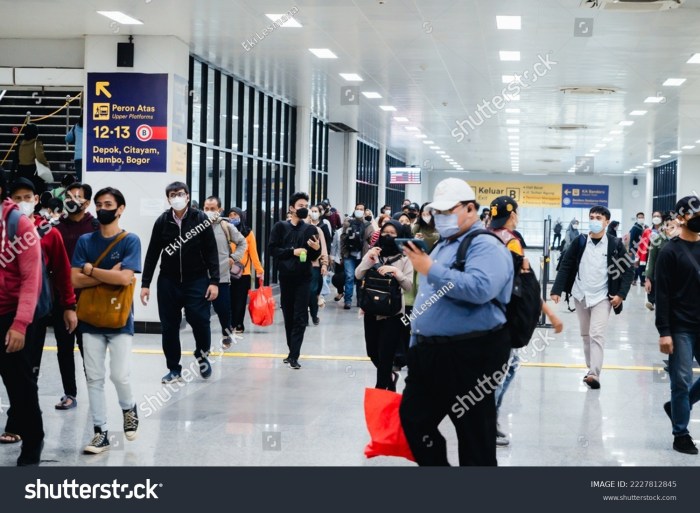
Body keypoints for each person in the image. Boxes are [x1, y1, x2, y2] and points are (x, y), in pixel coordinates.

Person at [399, 178, 514, 466]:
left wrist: (430, 269)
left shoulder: (486, 245)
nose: (440, 218)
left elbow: (480, 288)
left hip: (470, 355)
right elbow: (427, 295)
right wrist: (415, 345)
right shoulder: (443, 245)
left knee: (475, 436)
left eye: (448, 211)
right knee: (414, 420)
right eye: (436, 212)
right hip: (429, 354)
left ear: (471, 209)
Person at [487, 196, 563, 447]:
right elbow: (524, 285)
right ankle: (487, 419)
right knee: (503, 369)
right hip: (504, 316)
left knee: (500, 367)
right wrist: (549, 313)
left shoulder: (482, 236)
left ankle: (487, 416)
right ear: (513, 215)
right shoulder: (512, 242)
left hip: (483, 313)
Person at [71, 187, 141, 454]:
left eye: (108, 204)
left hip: (120, 318)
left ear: (120, 208)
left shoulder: (130, 240)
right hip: (90, 318)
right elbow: (74, 279)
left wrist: (90, 269)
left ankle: (129, 408)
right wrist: (104, 274)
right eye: (98, 204)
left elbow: (126, 278)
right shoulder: (86, 241)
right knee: (94, 378)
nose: (102, 208)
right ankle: (100, 432)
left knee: (119, 375)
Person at [5, 179, 77, 412]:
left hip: (39, 306)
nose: (23, 202)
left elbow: (63, 272)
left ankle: (22, 417)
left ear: (37, 200)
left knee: (29, 363)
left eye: (28, 197)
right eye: (17, 198)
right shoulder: (6, 229)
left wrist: (69, 305)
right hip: (7, 307)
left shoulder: (49, 232)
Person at [140, 182, 220, 384]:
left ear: (187, 196)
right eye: (173, 194)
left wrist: (214, 281)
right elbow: (152, 254)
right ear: (168, 199)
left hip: (197, 280)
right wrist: (145, 283)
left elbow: (211, 251)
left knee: (200, 321)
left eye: (180, 194)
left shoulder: (200, 219)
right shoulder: (162, 221)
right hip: (169, 281)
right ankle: (174, 369)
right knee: (169, 326)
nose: (177, 197)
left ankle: (202, 356)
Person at [551, 206, 633, 390]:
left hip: (603, 297)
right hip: (580, 295)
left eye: (598, 217)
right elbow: (566, 265)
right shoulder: (580, 242)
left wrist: (621, 294)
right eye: (591, 217)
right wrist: (557, 290)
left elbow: (629, 269)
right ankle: (590, 370)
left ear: (606, 222)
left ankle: (594, 373)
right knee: (586, 335)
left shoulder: (615, 244)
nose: (594, 220)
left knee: (597, 334)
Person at [0, 177, 44, 466]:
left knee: (20, 386)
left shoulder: (19, 224)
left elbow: (32, 280)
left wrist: (19, 325)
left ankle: (34, 439)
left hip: (9, 316)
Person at [656, 195, 700, 455]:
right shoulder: (669, 252)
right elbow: (662, 296)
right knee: (681, 382)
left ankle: (676, 407)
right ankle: (681, 433)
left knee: (683, 389)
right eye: (693, 213)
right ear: (680, 218)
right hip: (680, 328)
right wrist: (665, 332)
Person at [53, 181, 99, 409]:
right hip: (61, 299)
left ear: (87, 202)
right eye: (68, 197)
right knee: (64, 348)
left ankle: (95, 390)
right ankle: (69, 393)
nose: (72, 201)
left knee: (89, 349)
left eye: (77, 197)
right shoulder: (56, 228)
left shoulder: (96, 227)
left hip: (89, 299)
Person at [356, 220, 413, 391]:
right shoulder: (374, 253)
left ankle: (382, 390)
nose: (388, 236)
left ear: (400, 236)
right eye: (385, 232)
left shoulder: (404, 258)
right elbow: (358, 274)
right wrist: (369, 258)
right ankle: (389, 378)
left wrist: (397, 273)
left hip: (393, 314)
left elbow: (409, 286)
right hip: (371, 310)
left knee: (386, 354)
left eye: (393, 233)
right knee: (372, 352)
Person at [268, 192, 322, 369]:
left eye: (306, 205)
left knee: (300, 315)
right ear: (291, 208)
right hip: (285, 277)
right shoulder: (280, 227)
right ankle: (292, 351)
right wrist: (292, 252)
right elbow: (272, 250)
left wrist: (316, 249)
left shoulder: (311, 230)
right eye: (300, 205)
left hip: (304, 277)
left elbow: (314, 255)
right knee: (288, 314)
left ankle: (294, 355)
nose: (304, 208)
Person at [202, 196, 247, 349]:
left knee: (223, 310)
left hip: (221, 277)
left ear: (220, 210)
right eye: (206, 208)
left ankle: (226, 333)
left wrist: (233, 258)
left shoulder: (225, 226)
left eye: (212, 209)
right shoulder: (196, 227)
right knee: (202, 314)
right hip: (201, 278)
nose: (209, 211)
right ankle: (204, 343)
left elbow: (243, 242)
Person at [227, 207, 264, 334]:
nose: (232, 217)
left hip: (244, 273)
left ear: (241, 216)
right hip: (227, 272)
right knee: (230, 299)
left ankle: (239, 324)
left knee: (241, 300)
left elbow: (253, 253)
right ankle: (230, 324)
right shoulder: (226, 231)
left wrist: (259, 270)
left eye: (235, 215)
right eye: (230, 215)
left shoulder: (248, 233)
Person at [339, 203, 373, 310]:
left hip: (362, 256)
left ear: (364, 211)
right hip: (349, 255)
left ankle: (360, 300)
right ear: (354, 210)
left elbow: (372, 240)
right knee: (349, 277)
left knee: (360, 278)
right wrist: (343, 254)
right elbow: (343, 239)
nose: (359, 210)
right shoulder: (348, 223)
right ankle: (348, 301)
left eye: (361, 209)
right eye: (357, 209)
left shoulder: (368, 225)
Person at [645, 214, 678, 312]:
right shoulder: (657, 240)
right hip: (659, 276)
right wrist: (648, 278)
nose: (671, 228)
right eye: (668, 225)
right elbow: (651, 259)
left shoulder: (681, 240)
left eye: (674, 226)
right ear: (664, 225)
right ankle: (652, 301)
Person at [11, 123, 49, 195]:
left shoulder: (20, 143)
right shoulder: (37, 143)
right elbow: (41, 159)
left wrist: (11, 178)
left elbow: (15, 160)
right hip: (33, 172)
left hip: (21, 172)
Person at [307, 205, 329, 325]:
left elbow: (324, 249)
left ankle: (314, 315)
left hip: (315, 266)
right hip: (300, 266)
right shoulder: (299, 229)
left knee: (313, 291)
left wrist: (324, 264)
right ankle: (304, 317)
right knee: (303, 292)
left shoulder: (318, 230)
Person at [638, 211, 663, 309]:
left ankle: (658, 300)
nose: (656, 217)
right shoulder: (647, 231)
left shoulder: (664, 230)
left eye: (658, 216)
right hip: (648, 256)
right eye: (654, 216)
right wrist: (638, 258)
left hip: (659, 256)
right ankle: (651, 300)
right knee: (649, 276)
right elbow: (642, 245)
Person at [629, 212, 646, 285]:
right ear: (637, 219)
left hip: (642, 250)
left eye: (642, 217)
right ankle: (635, 280)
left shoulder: (644, 227)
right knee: (636, 265)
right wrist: (630, 250)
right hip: (635, 250)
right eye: (639, 217)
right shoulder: (635, 227)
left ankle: (637, 280)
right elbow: (631, 239)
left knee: (640, 265)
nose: (641, 218)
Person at [65, 116, 83, 181]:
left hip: (78, 157)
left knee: (81, 179)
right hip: (90, 157)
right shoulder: (94, 126)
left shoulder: (75, 127)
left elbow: (67, 139)